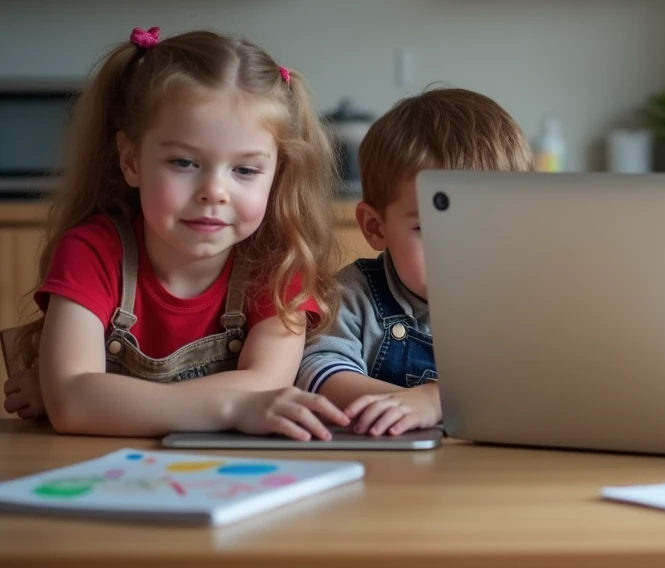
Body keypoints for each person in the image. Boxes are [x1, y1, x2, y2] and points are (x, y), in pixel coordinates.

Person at [1, 28, 350, 440]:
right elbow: (74, 405)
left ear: (278, 175)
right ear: (130, 160)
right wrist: (234, 404)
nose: (214, 193)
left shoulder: (279, 266)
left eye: (245, 170)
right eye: (184, 162)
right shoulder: (91, 252)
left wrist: (101, 398)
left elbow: (266, 386)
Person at [297, 88, 532, 436]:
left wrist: (438, 402)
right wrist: (421, 402)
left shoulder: (527, 306)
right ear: (376, 227)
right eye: (430, 228)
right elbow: (320, 376)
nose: (463, 251)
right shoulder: (352, 296)